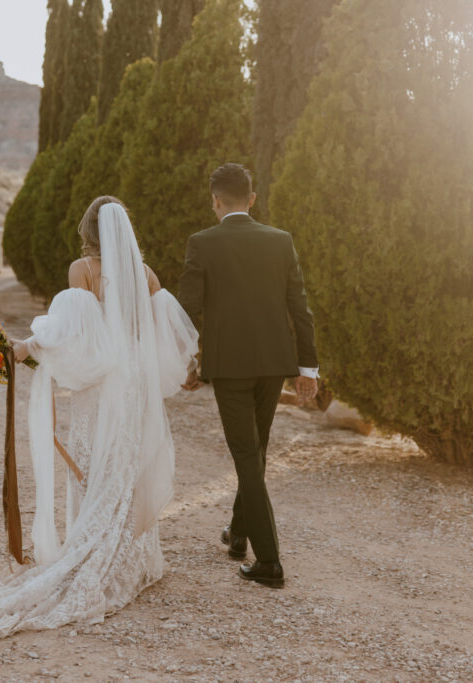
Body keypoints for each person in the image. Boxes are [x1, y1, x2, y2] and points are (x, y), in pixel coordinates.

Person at [0, 197, 198, 636]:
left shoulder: (83, 272)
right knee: (125, 465)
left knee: (96, 466)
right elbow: (167, 335)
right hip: (136, 383)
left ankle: (94, 553)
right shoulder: (146, 275)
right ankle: (132, 558)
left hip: (104, 388)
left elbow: (70, 335)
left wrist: (25, 348)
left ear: (88, 232)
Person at [178, 163, 318, 588]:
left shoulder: (201, 243)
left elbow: (188, 311)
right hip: (274, 365)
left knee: (246, 456)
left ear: (216, 201)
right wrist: (307, 368)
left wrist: (187, 362)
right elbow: (300, 308)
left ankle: (270, 562)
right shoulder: (281, 241)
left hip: (230, 368)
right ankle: (238, 534)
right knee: (254, 452)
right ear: (252, 199)